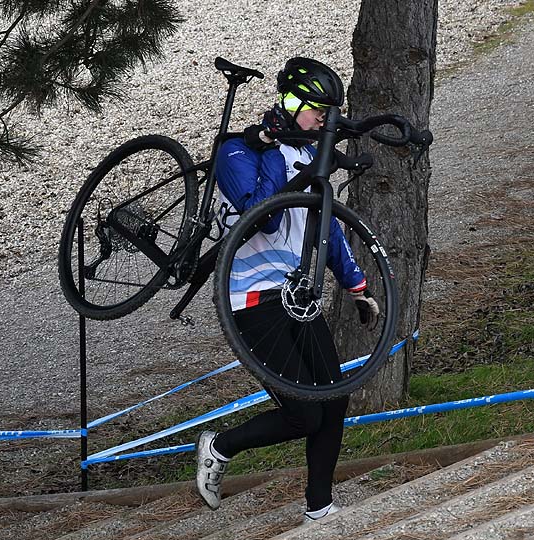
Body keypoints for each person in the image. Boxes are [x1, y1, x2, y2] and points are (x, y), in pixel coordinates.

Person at [195, 57, 379, 522]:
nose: (323, 120)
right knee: (303, 414)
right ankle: (219, 446)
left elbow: (326, 227)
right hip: (251, 298)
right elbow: (265, 216)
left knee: (334, 399)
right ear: (292, 105)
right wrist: (275, 154)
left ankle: (320, 507)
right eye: (317, 110)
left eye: (329, 113)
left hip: (295, 296)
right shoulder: (237, 152)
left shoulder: (306, 156)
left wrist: (356, 286)